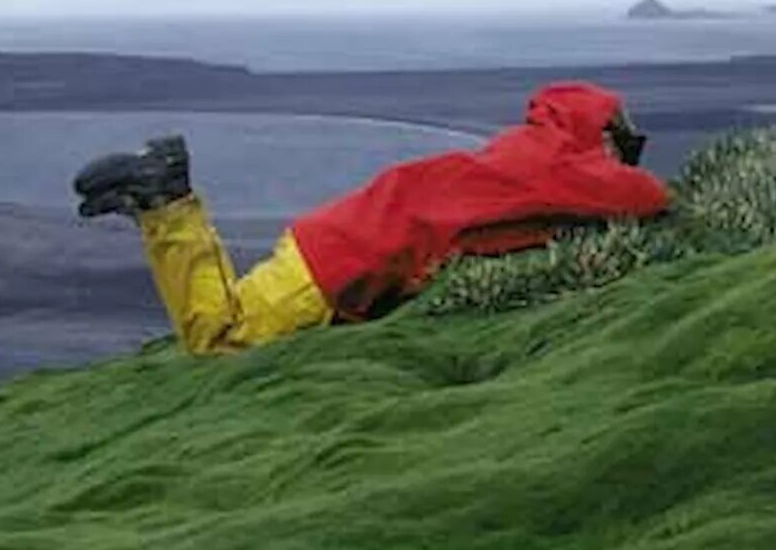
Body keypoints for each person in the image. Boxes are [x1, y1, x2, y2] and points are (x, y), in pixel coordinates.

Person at [73, 81, 669, 355]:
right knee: (220, 339)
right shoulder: (562, 164)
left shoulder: (527, 150)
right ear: (599, 134)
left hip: (339, 240)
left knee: (231, 316)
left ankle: (158, 204)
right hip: (347, 259)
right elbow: (644, 199)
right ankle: (165, 202)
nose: (623, 157)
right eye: (622, 143)